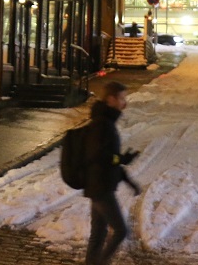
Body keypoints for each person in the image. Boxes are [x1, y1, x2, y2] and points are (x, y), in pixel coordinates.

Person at [83, 81, 140, 265]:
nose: (125, 102)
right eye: (122, 98)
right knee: (121, 231)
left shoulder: (105, 121)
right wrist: (121, 160)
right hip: (100, 187)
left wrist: (126, 175)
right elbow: (100, 157)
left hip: (98, 184)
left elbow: (109, 157)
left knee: (98, 234)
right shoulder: (102, 124)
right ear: (111, 99)